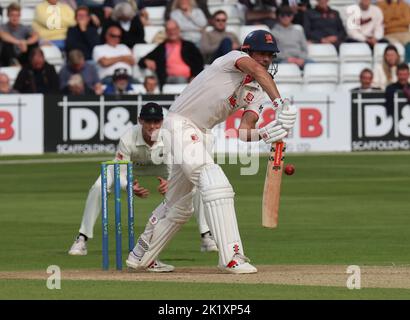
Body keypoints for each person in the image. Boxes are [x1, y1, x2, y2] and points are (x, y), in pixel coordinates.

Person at [125, 30, 297, 274]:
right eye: (262, 53)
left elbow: (244, 131)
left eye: (270, 55)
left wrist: (268, 133)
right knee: (216, 184)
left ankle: (142, 255)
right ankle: (231, 256)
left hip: (202, 134)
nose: (267, 59)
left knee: (179, 205)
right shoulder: (232, 59)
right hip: (179, 123)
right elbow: (258, 71)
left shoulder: (257, 92)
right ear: (248, 51)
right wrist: (280, 104)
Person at [68, 103, 218, 271]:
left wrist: (170, 185)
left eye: (156, 121)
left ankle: (206, 236)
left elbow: (174, 169)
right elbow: (121, 174)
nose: (152, 126)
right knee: (98, 186)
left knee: (194, 185)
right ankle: (81, 239)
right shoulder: (128, 137)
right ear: (140, 120)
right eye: (148, 121)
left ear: (162, 121)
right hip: (133, 167)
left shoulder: (169, 136)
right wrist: (129, 187)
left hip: (161, 166)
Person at [138, 20, 204, 90]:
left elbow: (199, 63)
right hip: (169, 79)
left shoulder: (189, 46)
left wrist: (194, 76)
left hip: (189, 79)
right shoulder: (161, 48)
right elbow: (141, 61)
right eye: (169, 30)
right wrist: (146, 61)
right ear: (166, 32)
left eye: (174, 29)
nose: (172, 32)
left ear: (178, 30)